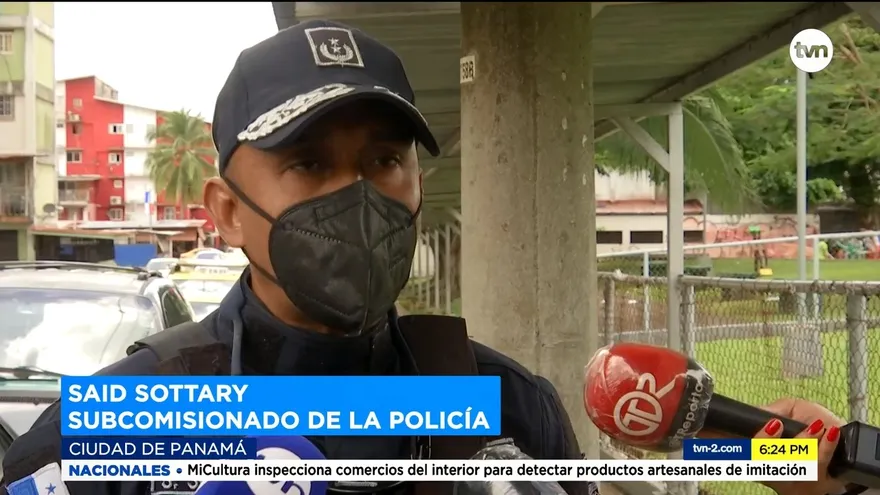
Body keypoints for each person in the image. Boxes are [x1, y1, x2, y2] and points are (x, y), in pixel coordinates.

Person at [0, 19, 846, 495]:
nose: (357, 196)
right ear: (225, 211)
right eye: (308, 164)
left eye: (383, 161)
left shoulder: (504, 403)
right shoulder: (116, 423)